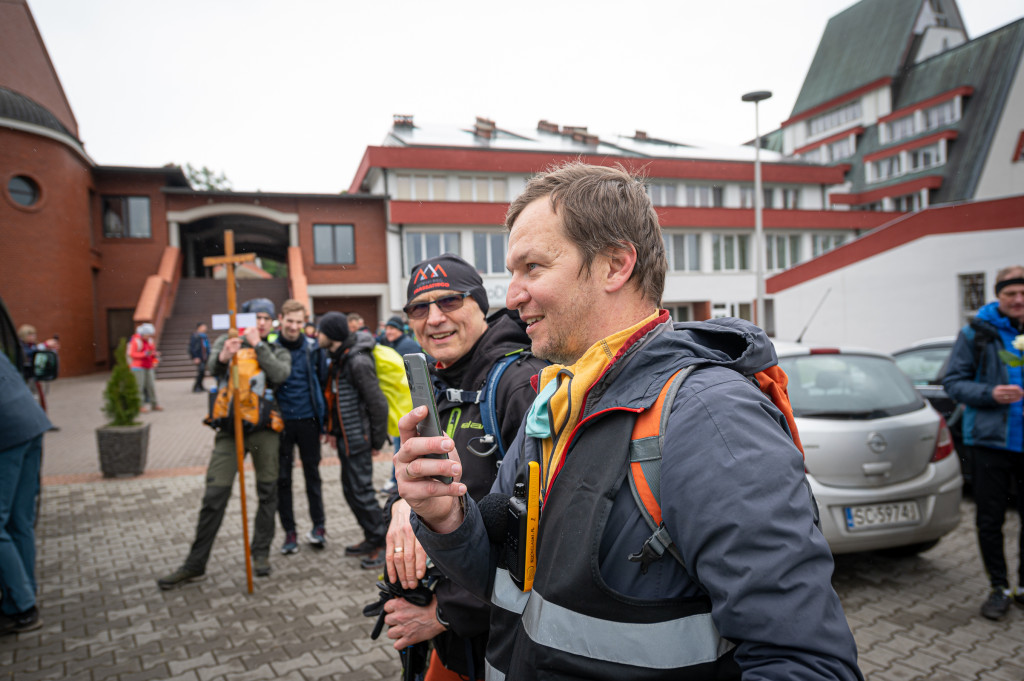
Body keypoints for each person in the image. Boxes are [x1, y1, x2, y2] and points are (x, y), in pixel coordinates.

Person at [396, 163, 863, 680]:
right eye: (513, 272)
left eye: (533, 268)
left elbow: (804, 662)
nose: (512, 295)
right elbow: (505, 585)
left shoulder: (709, 415)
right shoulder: (554, 402)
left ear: (615, 265)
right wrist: (446, 517)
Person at [380, 254, 547, 680]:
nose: (434, 319)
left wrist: (446, 614)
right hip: (454, 632)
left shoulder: (520, 384)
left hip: (502, 636)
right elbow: (415, 482)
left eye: (450, 302)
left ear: (481, 305)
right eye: (420, 308)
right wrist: (402, 505)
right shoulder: (439, 383)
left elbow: (547, 532)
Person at [157, 298, 291, 588]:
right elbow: (211, 369)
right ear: (245, 320)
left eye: (267, 318)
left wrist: (259, 345)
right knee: (214, 494)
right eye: (257, 317)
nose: (262, 322)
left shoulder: (275, 346)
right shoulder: (227, 342)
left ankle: (260, 553)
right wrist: (223, 357)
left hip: (264, 429)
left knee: (268, 491)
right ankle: (195, 563)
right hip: (230, 431)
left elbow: (280, 374)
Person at [944, 265, 1024, 620]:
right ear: (998, 295)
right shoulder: (976, 333)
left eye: (1023, 293)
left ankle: (1022, 586)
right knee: (990, 520)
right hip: (990, 443)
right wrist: (990, 393)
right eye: (1011, 294)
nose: (1018, 300)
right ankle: (998, 587)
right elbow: (953, 382)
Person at [317, 311, 390, 569]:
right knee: (352, 492)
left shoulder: (357, 361)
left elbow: (377, 404)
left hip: (359, 439)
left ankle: (385, 545)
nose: (317, 335)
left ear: (333, 334)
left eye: (321, 331)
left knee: (362, 493)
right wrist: (333, 431)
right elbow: (338, 399)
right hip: (346, 439)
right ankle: (372, 537)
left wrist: (375, 442)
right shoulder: (339, 358)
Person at [273, 300, 329, 554]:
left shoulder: (312, 349)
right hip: (280, 424)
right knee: (282, 479)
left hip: (308, 421)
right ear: (281, 319)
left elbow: (320, 381)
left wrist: (323, 420)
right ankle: (290, 532)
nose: (294, 326)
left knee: (312, 476)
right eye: (290, 321)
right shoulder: (270, 348)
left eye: (299, 322)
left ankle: (319, 527)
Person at [0, 351, 50, 635]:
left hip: (6, 433)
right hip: (31, 424)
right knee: (20, 520)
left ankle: (23, 606)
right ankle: (20, 600)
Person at [129, 323, 161, 412]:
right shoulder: (136, 341)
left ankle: (154, 404)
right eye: (148, 334)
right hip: (138, 367)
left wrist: (155, 361)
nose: (149, 336)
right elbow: (132, 354)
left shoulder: (150, 341)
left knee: (151, 386)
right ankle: (140, 405)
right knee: (140, 386)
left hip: (149, 366)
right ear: (143, 333)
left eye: (150, 335)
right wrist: (145, 354)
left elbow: (153, 353)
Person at [189, 322, 210, 393]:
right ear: (199, 327)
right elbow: (192, 347)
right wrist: (195, 357)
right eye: (204, 326)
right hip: (199, 357)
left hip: (204, 357)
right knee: (201, 372)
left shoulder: (204, 336)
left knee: (203, 372)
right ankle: (196, 387)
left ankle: (201, 386)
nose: (205, 328)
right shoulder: (195, 336)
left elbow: (206, 346)